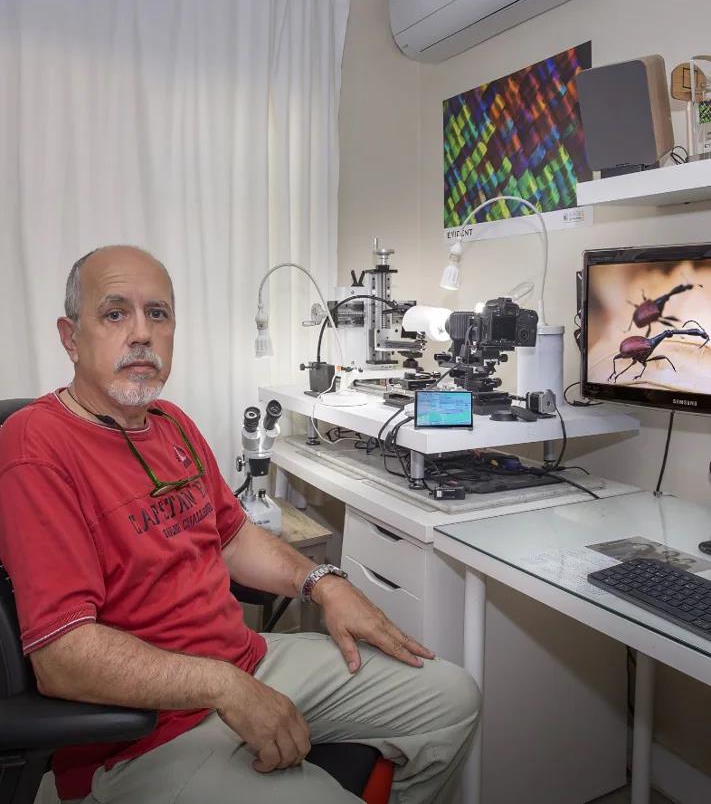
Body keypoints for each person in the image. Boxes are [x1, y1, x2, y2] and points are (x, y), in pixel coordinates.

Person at [0, 246, 480, 804]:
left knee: (452, 698)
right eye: (114, 313)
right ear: (69, 336)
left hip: (247, 661)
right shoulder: (36, 446)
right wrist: (223, 686)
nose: (141, 333)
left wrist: (325, 582)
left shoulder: (171, 424)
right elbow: (63, 659)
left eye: (158, 314)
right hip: (142, 734)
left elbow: (232, 538)